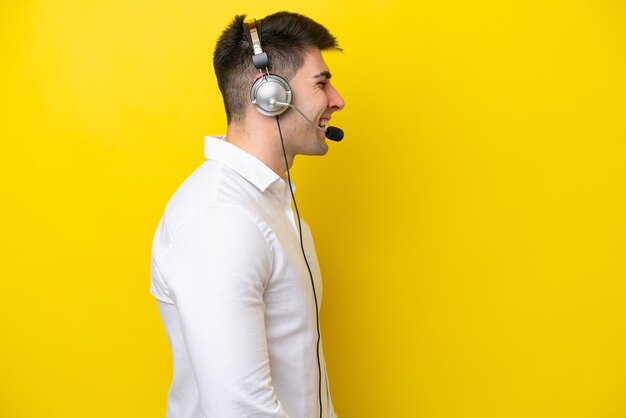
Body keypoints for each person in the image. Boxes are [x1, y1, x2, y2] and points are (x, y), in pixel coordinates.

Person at [150, 11, 345, 418]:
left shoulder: (269, 208)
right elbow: (240, 409)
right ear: (270, 93)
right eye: (322, 83)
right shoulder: (222, 218)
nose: (337, 100)